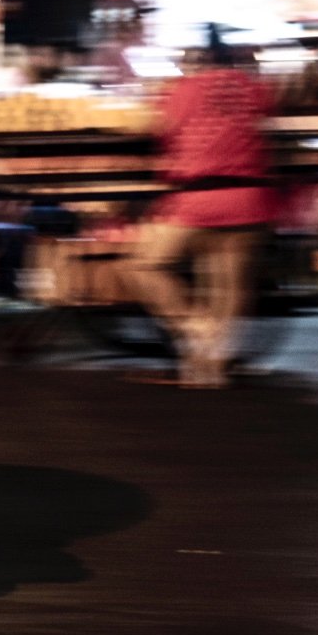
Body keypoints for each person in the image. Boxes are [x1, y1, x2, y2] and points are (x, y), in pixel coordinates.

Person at [124, 25, 275, 389]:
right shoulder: (255, 90)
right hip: (248, 200)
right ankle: (209, 368)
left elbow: (155, 127)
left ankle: (193, 325)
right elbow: (267, 119)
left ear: (198, 60)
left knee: (143, 266)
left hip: (197, 201)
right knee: (226, 286)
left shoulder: (182, 90)